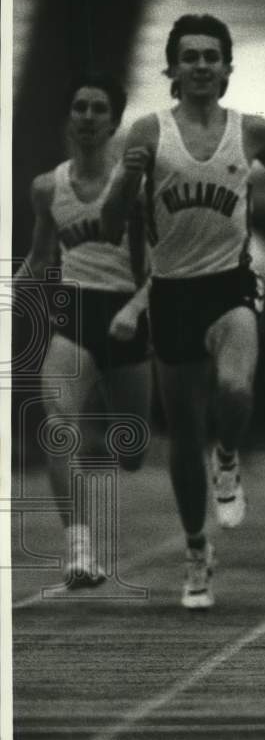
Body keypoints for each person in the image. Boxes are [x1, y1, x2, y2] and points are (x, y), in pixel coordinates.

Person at [102, 14, 265, 609]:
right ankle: (197, 551)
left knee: (236, 390)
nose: (200, 65)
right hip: (172, 292)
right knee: (184, 432)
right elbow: (114, 220)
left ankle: (229, 458)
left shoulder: (251, 131)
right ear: (172, 68)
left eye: (210, 56)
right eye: (190, 56)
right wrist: (127, 179)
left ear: (226, 67)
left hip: (231, 284)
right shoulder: (148, 131)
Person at [21, 72, 151, 586]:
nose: (89, 117)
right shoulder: (47, 187)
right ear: (69, 117)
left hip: (127, 316)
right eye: (81, 107)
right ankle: (79, 551)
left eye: (99, 109)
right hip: (74, 316)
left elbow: (165, 263)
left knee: (132, 452)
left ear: (115, 122)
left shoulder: (136, 186)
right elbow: (39, 258)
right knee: (57, 425)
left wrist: (136, 309)